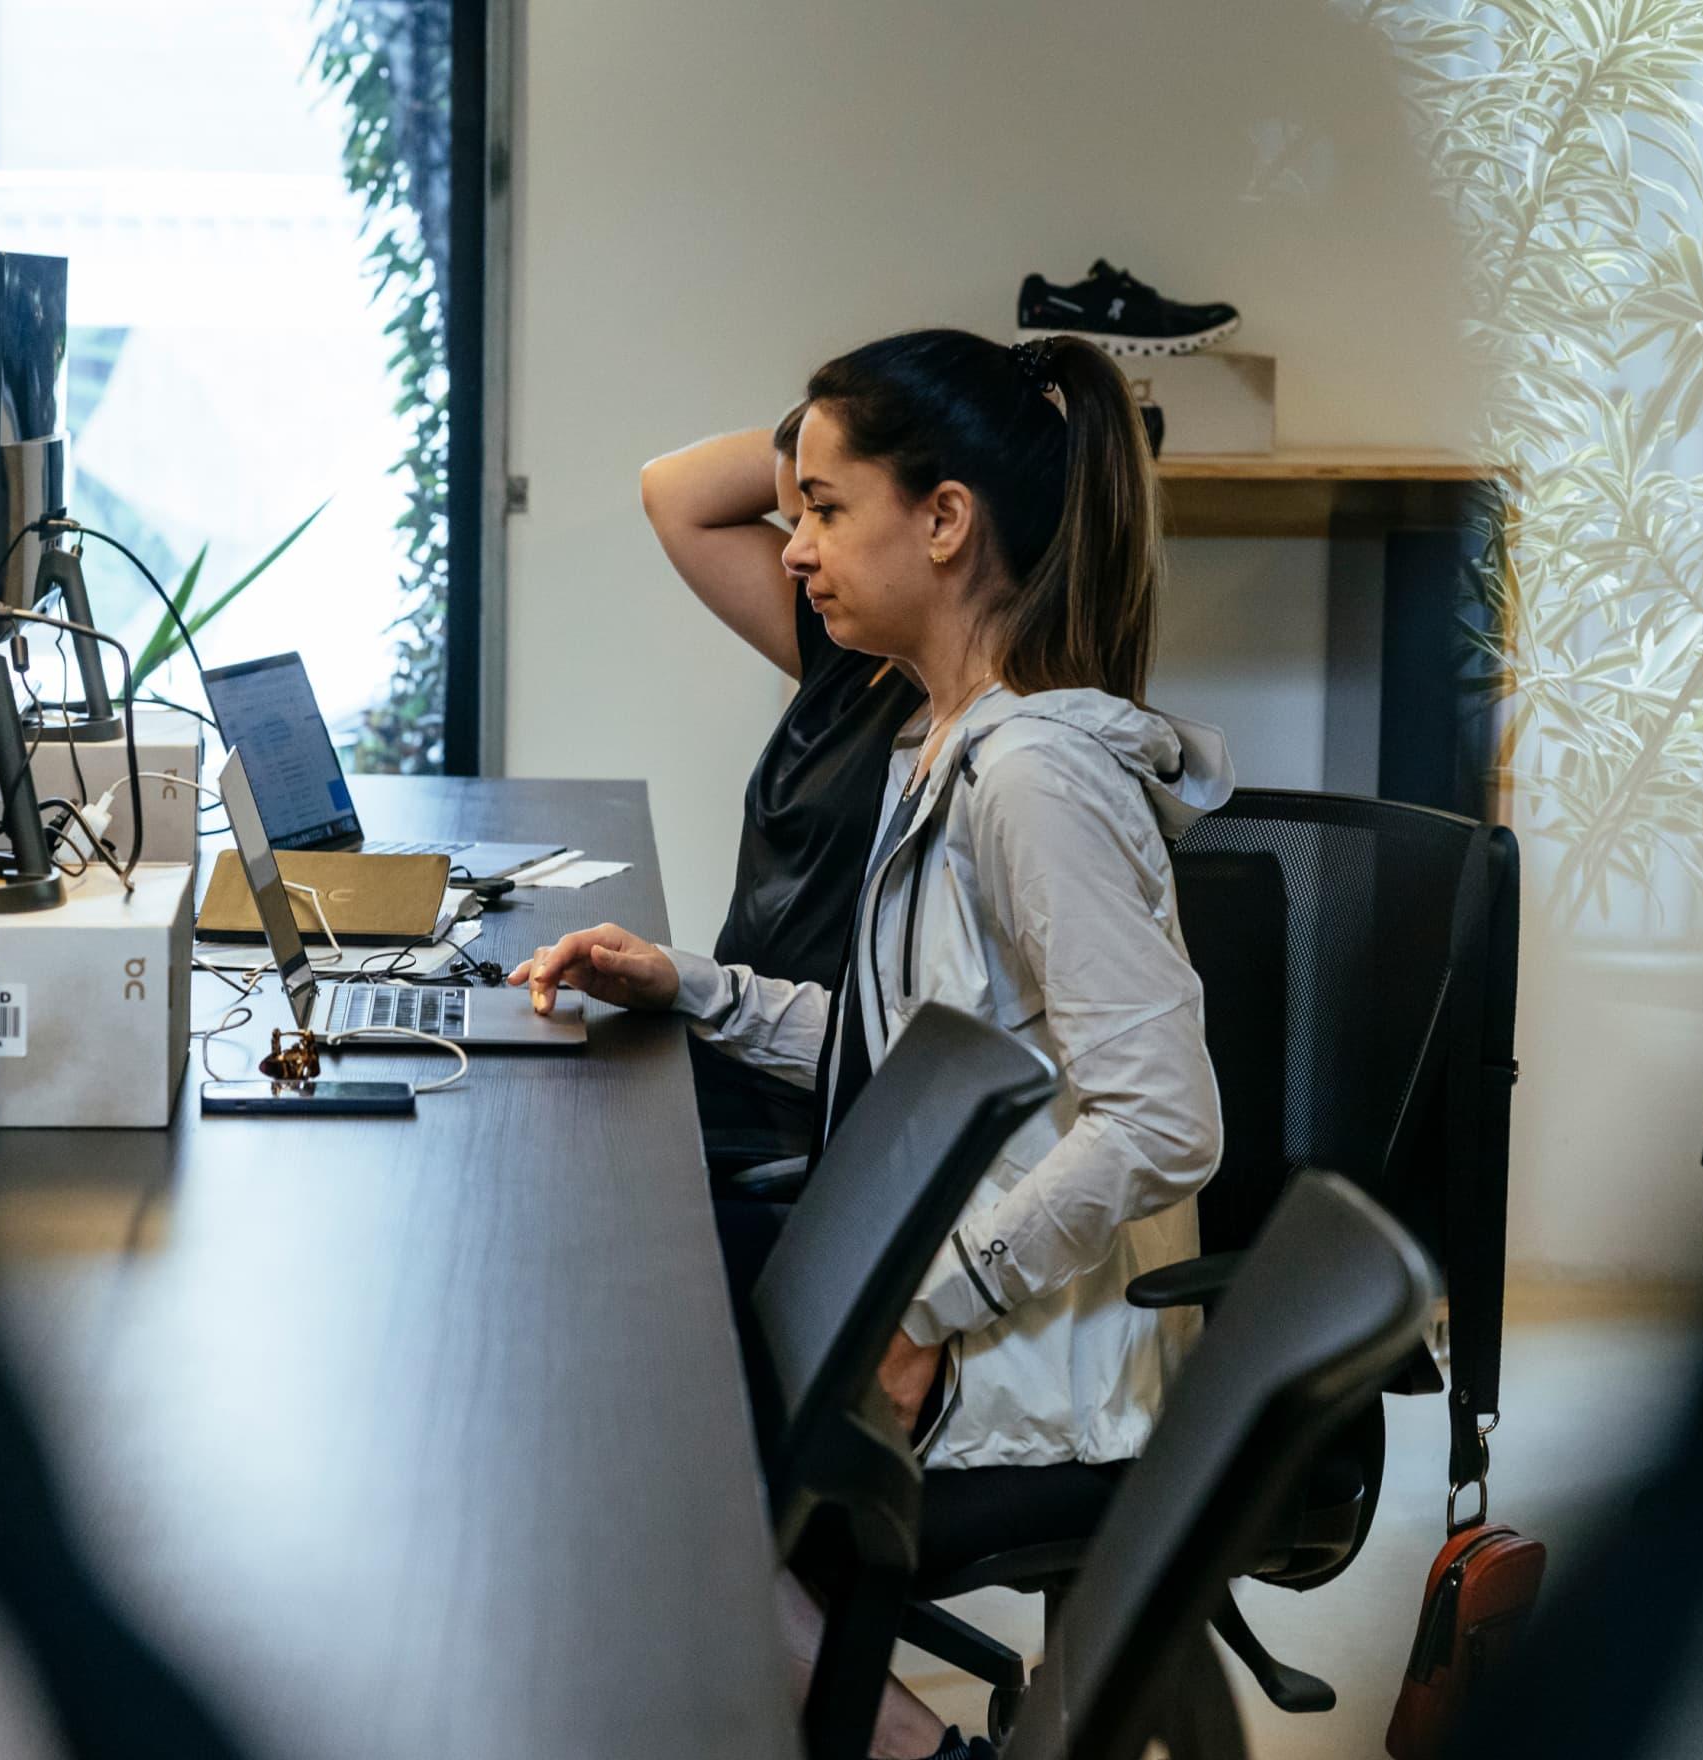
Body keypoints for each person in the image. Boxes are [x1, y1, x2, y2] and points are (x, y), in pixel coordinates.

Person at [514, 329, 1229, 1760]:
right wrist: (698, 989)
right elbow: (920, 1054)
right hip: (958, 1315)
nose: (794, 548)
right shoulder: (946, 745)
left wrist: (926, 1314)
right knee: (589, 1340)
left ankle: (914, 1753)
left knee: (600, 1420)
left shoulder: (1032, 777)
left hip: (1018, 1375)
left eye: (828, 510)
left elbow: (1163, 1121)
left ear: (946, 522)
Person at [642, 404, 925, 1167]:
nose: (793, 552)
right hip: (736, 1043)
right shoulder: (845, 648)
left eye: (824, 513)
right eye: (795, 512)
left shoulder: (975, 730)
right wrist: (829, 420)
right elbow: (671, 488)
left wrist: (868, 423)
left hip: (795, 1104)